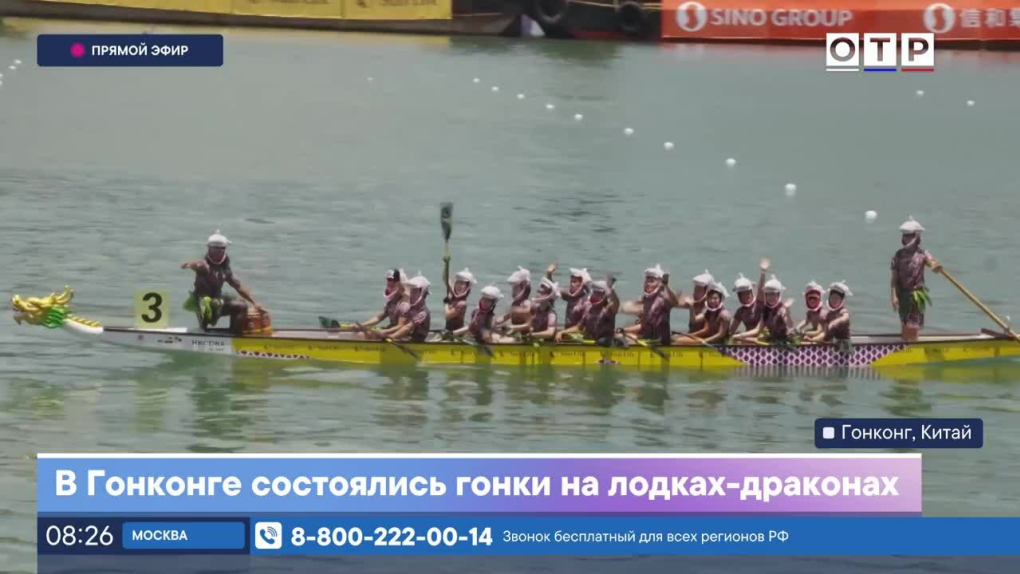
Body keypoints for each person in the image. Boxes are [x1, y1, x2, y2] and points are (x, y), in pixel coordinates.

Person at [180, 230, 265, 335]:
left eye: (220, 250)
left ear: (223, 250)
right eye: (215, 250)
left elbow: (238, 286)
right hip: (203, 304)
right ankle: (231, 337)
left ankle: (232, 332)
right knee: (240, 307)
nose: (218, 253)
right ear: (209, 249)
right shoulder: (203, 265)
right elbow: (195, 264)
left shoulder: (224, 270)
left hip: (215, 301)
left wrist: (254, 302)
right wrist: (188, 265)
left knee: (240, 301)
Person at [891, 216, 943, 341]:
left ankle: (914, 346)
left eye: (909, 236)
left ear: (916, 237)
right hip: (903, 294)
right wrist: (893, 296)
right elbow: (894, 279)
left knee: (913, 327)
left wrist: (936, 266)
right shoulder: (898, 255)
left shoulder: (922, 254)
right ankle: (905, 346)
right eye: (905, 235)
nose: (906, 238)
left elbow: (933, 263)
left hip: (917, 295)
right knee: (904, 324)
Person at [621, 264, 681, 345]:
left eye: (652, 281)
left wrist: (666, 286)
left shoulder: (663, 299)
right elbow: (643, 325)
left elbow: (675, 302)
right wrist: (623, 330)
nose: (648, 284)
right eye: (646, 281)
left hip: (660, 342)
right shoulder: (646, 300)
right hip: (647, 340)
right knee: (620, 336)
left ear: (660, 283)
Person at [556, 278, 620, 346]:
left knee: (602, 341)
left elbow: (616, 303)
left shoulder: (609, 309)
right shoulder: (589, 309)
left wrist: (611, 290)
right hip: (590, 341)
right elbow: (579, 327)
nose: (595, 295)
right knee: (567, 336)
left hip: (606, 343)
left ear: (605, 295)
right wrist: (562, 332)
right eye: (594, 292)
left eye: (598, 293)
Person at [359, 268, 409, 336]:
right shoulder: (391, 302)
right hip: (390, 330)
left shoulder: (405, 303)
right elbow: (378, 318)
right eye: (389, 282)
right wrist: (361, 325)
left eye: (392, 284)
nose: (389, 284)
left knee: (364, 335)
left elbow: (401, 326)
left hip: (401, 335)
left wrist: (383, 332)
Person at [383, 274, 432, 343]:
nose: (412, 294)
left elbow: (407, 328)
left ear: (422, 294)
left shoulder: (423, 312)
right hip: (407, 337)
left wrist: (391, 337)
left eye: (415, 292)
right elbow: (402, 325)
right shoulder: (410, 307)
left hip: (417, 341)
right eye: (412, 291)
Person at [546, 264, 591, 330]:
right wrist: (549, 274)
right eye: (571, 282)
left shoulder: (586, 300)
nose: (571, 284)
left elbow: (583, 325)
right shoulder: (569, 296)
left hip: (578, 332)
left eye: (575, 282)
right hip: (567, 330)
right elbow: (554, 288)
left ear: (581, 284)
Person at [443, 267, 476, 332]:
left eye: (462, 284)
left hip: (457, 333)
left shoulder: (462, 304)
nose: (459, 286)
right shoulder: (454, 295)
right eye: (458, 283)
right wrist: (446, 265)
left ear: (467, 287)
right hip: (447, 330)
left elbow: (447, 315)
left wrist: (446, 303)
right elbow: (445, 279)